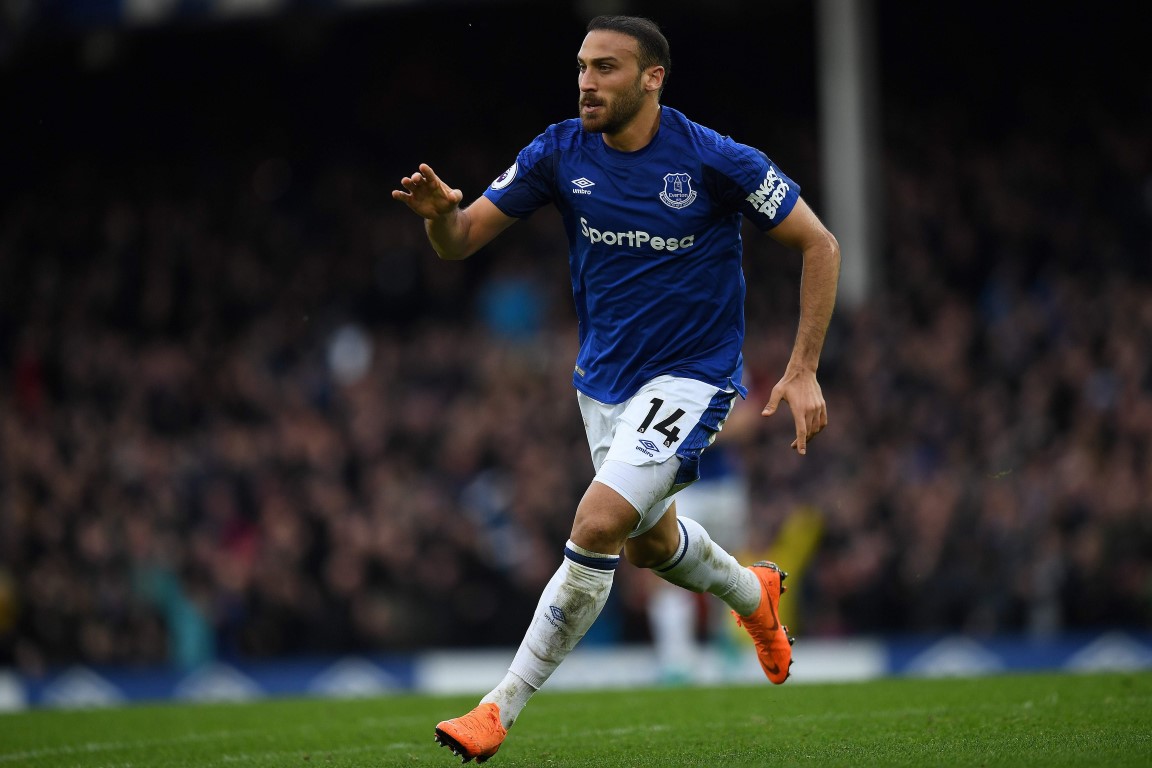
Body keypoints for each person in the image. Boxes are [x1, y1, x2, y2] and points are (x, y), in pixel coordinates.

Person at [391, 15, 840, 763]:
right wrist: (440, 219)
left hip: (693, 376)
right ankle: (752, 594)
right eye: (581, 67)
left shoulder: (715, 159)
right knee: (650, 548)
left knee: (597, 524)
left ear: (652, 78)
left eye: (605, 68)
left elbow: (819, 243)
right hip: (602, 385)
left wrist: (802, 367)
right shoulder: (558, 151)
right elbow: (461, 240)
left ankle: (498, 708)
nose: (586, 83)